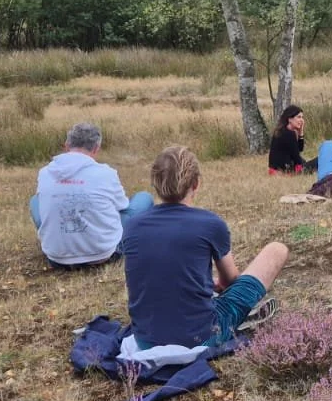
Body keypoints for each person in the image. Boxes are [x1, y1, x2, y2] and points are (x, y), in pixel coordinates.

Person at [122, 146, 289, 349]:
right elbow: (230, 280)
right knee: (277, 249)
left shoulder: (132, 226)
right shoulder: (209, 224)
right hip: (201, 337)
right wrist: (215, 284)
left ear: (155, 184)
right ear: (196, 183)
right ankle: (240, 318)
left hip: (145, 340)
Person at [30, 123, 153, 269]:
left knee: (35, 201)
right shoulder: (106, 173)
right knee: (143, 199)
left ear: (66, 146)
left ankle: (60, 239)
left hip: (57, 258)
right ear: (96, 149)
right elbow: (123, 206)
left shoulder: (45, 172)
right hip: (103, 254)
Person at [268, 106, 307, 174]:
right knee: (319, 160)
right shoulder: (289, 134)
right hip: (285, 171)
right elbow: (297, 158)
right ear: (290, 119)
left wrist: (301, 131)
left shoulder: (280, 131)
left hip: (274, 170)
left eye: (302, 117)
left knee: (304, 160)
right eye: (299, 117)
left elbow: (299, 149)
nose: (302, 120)